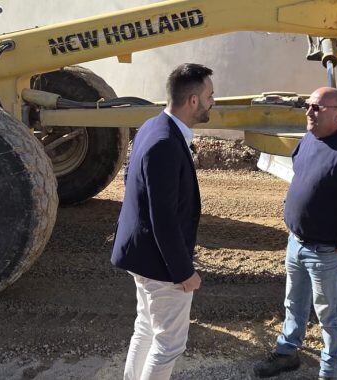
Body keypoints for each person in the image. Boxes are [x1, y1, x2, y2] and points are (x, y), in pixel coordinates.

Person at [254, 87, 337, 379]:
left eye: (317, 108)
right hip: (296, 243)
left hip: (327, 252)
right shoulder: (309, 140)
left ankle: (330, 370)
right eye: (308, 106)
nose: (309, 112)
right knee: (293, 304)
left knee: (329, 317)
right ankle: (287, 353)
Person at [111, 63, 215, 380]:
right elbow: (164, 219)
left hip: (142, 255)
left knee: (146, 327)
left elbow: (133, 182)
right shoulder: (164, 143)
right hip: (160, 265)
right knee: (169, 344)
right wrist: (183, 273)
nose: (214, 101)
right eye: (210, 96)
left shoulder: (152, 126)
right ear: (193, 101)